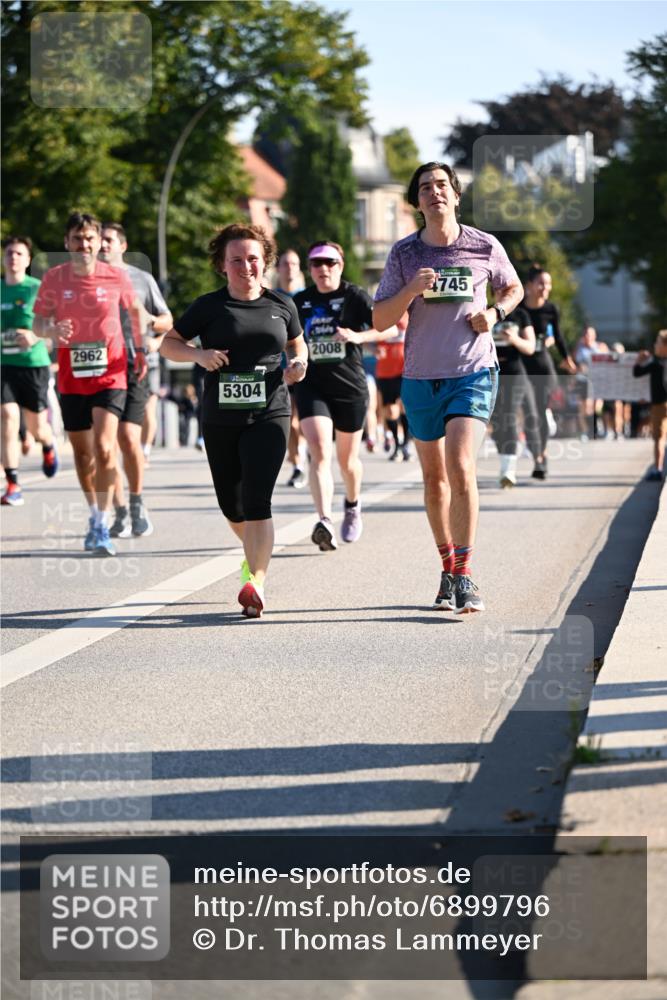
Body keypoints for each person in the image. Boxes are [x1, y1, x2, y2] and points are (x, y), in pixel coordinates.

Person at [373, 161, 522, 613]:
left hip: (473, 372)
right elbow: (380, 320)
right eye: (425, 187)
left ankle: (465, 575)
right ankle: (446, 567)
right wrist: (410, 292)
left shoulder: (483, 245)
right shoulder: (404, 254)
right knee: (435, 479)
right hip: (420, 377)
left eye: (442, 185)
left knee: (460, 466)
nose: (434, 192)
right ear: (417, 202)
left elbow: (512, 288)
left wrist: (495, 314)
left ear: (456, 195)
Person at [160, 223, 307, 618]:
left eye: (253, 259)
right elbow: (168, 344)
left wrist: (299, 365)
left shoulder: (282, 304)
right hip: (221, 418)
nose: (246, 267)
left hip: (270, 411)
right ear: (223, 266)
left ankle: (256, 582)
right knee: (233, 506)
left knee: (259, 500)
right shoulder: (209, 307)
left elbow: (297, 344)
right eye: (237, 260)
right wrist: (199, 356)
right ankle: (253, 558)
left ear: (266, 261)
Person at [33, 212, 145, 555]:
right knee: (83, 455)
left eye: (90, 239)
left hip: (111, 374)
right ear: (67, 243)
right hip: (71, 378)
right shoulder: (54, 278)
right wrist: (50, 332)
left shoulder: (116, 277)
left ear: (99, 243)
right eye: (77, 239)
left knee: (106, 448)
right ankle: (96, 514)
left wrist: (138, 350)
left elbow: (137, 312)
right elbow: (38, 323)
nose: (84, 245)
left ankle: (102, 522)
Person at [292, 240, 380, 551]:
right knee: (318, 450)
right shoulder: (300, 301)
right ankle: (325, 520)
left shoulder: (353, 296)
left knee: (347, 461)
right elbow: (288, 339)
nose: (323, 269)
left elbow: (389, 327)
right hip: (312, 385)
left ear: (340, 266)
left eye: (330, 263)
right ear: (310, 268)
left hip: (349, 387)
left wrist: (358, 335)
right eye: (317, 263)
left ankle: (353, 505)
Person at [99, 223, 173, 537]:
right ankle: (118, 512)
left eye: (109, 240)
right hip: (99, 371)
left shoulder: (141, 279)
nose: (103, 245)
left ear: (123, 245)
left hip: (134, 366)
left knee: (128, 440)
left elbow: (167, 320)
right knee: (105, 447)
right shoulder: (84, 280)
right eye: (98, 239)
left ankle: (136, 502)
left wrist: (150, 324)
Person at [1, 236, 59, 506]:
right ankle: (13, 484)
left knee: (37, 428)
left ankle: (47, 444)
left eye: (19, 253)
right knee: (7, 417)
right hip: (5, 365)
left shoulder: (38, 288)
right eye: (9, 253)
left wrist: (35, 337)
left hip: (34, 365)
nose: (13, 257)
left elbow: (55, 327)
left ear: (27, 260)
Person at [521, 265, 576, 478]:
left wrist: (567, 359)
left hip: (543, 366)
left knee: (541, 415)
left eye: (548, 283)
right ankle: (537, 455)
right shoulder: (518, 309)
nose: (546, 287)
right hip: (522, 367)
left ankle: (541, 457)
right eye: (541, 283)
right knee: (529, 414)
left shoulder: (551, 309)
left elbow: (559, 336)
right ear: (530, 286)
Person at [490, 310, 539, 487]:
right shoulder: (484, 308)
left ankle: (508, 470)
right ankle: (505, 457)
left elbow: (530, 347)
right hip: (490, 371)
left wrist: (514, 339)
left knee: (509, 416)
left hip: (514, 372)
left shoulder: (520, 315)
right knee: (495, 423)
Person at [275, 248, 307, 489]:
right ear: (278, 269)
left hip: (307, 366)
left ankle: (304, 456)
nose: (289, 268)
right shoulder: (272, 297)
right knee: (291, 422)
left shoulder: (307, 297)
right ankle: (297, 464)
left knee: (305, 422)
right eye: (285, 263)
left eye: (294, 264)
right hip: (281, 369)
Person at [375, 311, 411, 462]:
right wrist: (373, 348)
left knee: (405, 407)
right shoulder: (380, 313)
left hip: (406, 370)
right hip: (385, 371)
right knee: (390, 411)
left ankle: (406, 445)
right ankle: (397, 445)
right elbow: (367, 334)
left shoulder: (411, 313)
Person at [633, 329, 667, 481]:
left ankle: (657, 469)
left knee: (658, 438)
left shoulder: (655, 364)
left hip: (659, 405)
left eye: (658, 343)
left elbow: (637, 372)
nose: (655, 345)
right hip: (658, 403)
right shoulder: (656, 362)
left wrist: (639, 360)